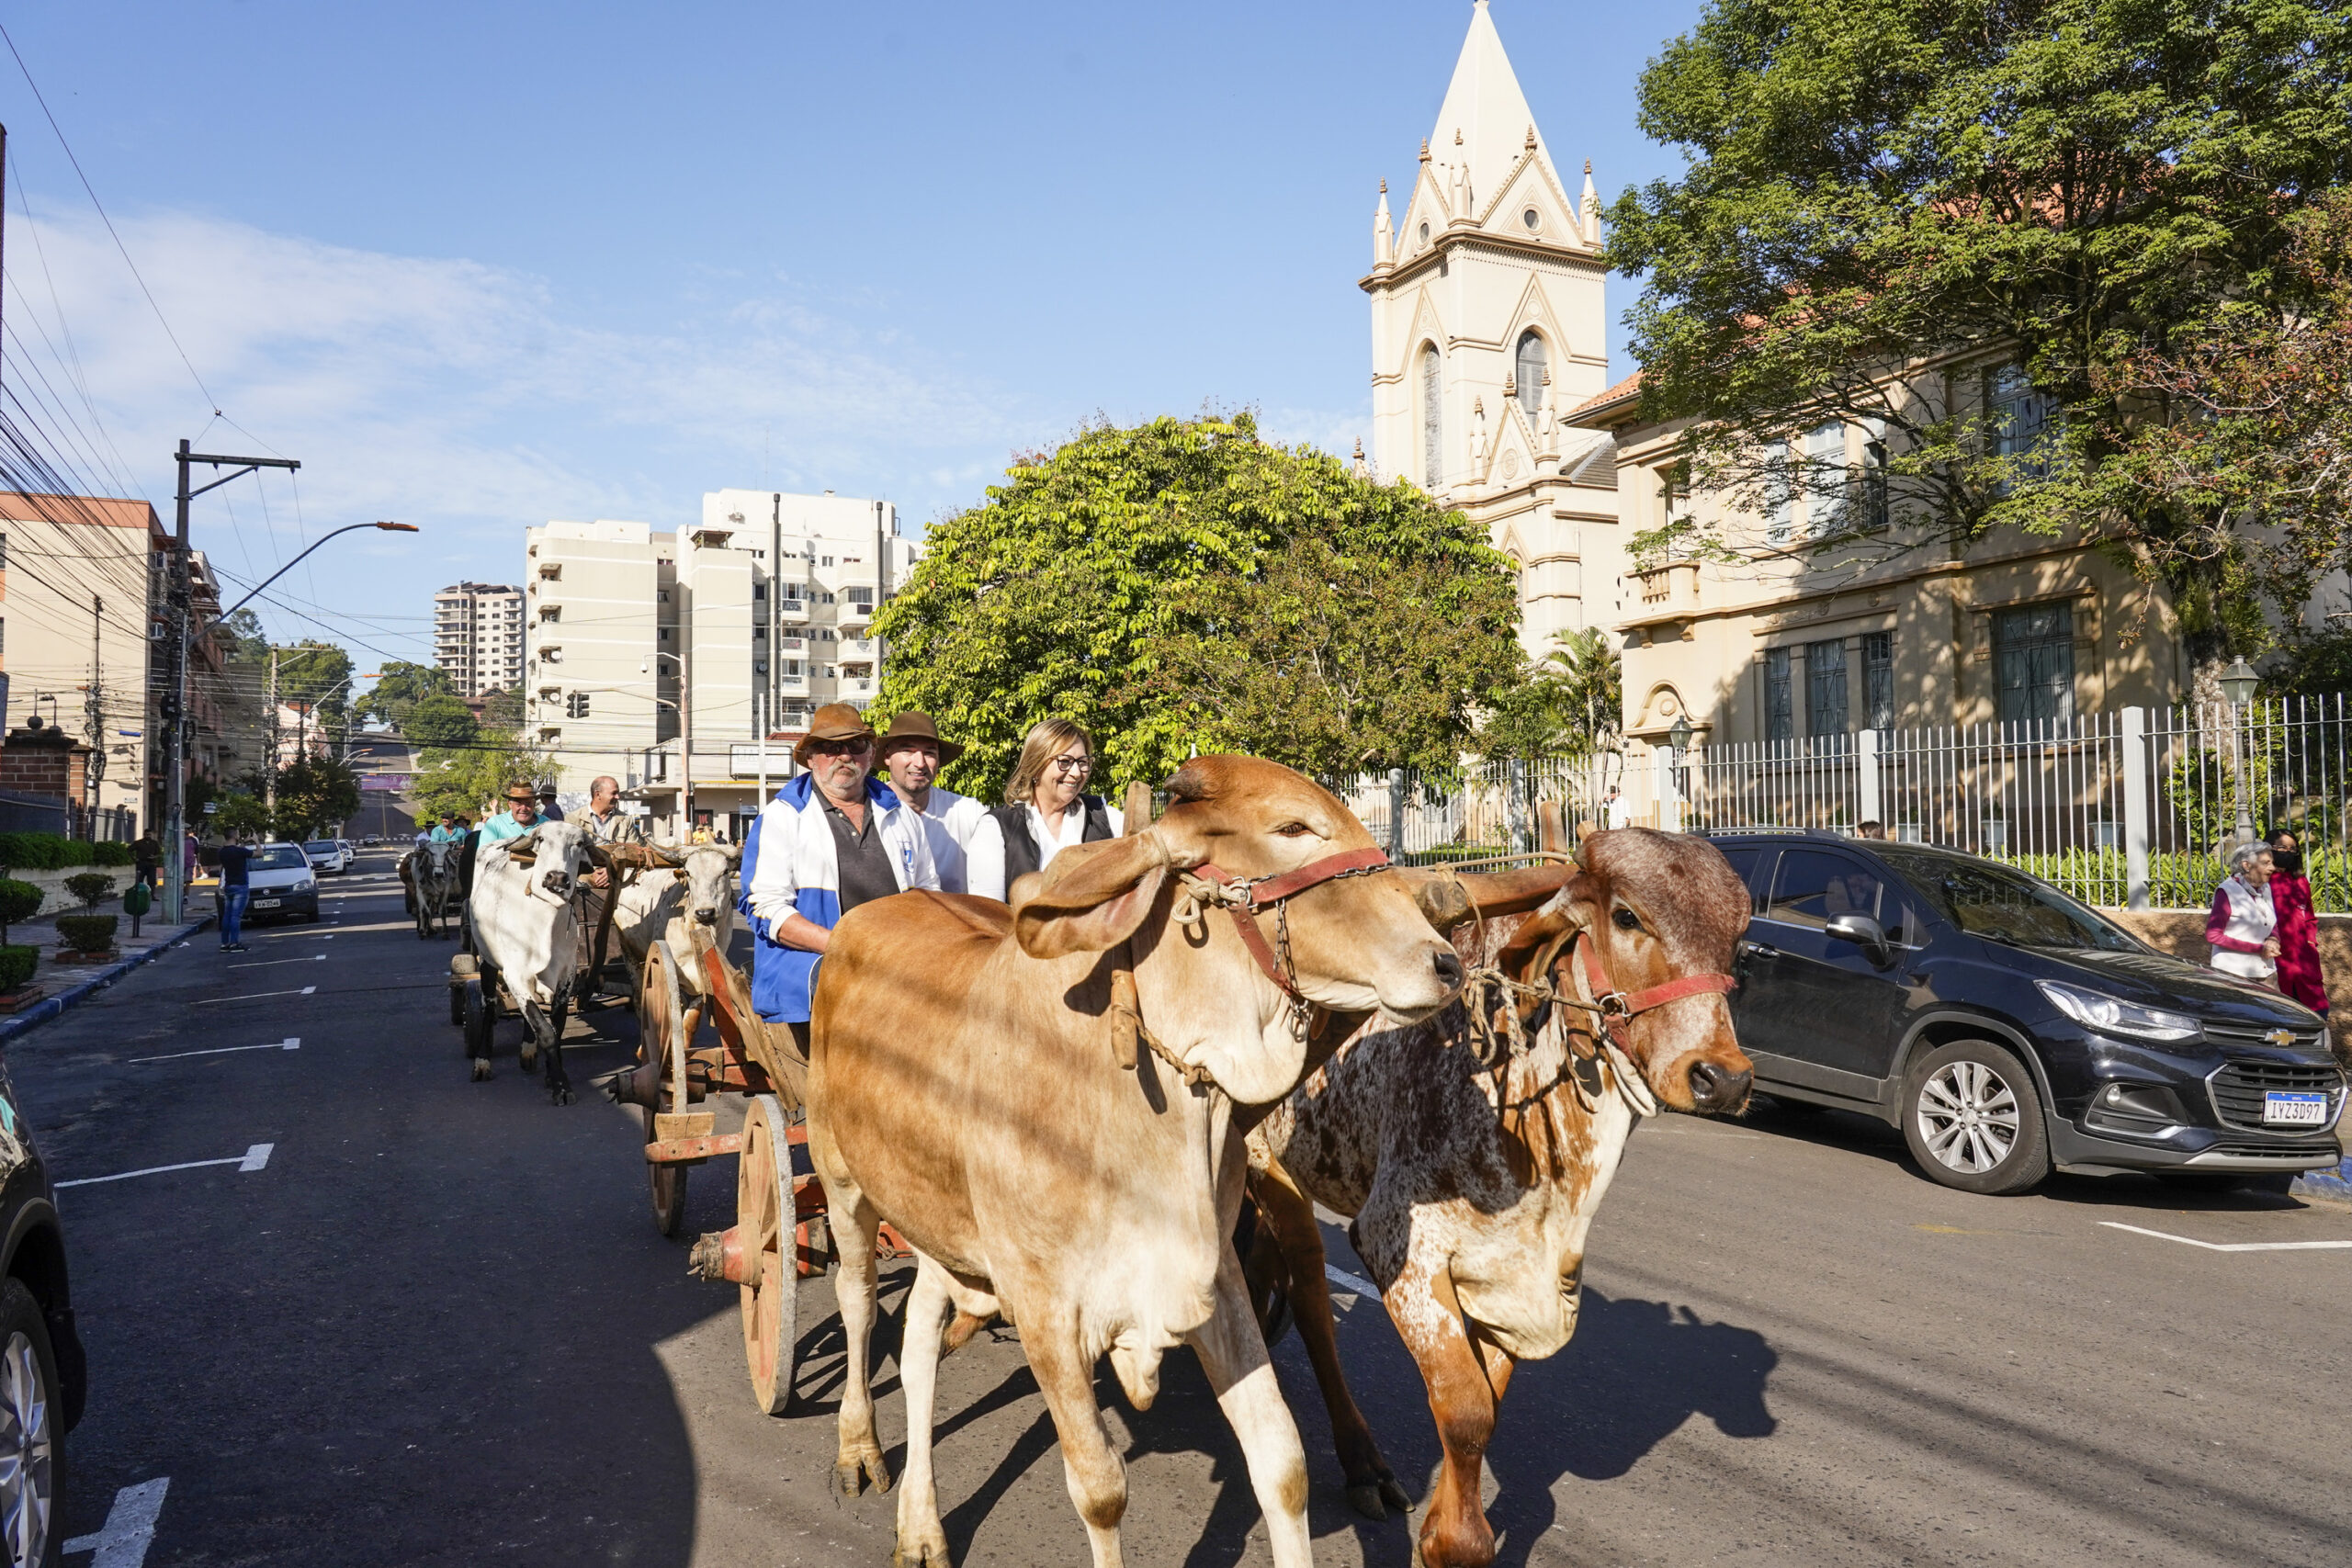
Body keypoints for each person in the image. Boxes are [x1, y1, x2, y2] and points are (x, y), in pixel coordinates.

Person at [745, 703, 938, 1047]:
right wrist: (842, 945)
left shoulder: (901, 814)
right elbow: (765, 908)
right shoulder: (783, 817)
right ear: (810, 758)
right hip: (811, 960)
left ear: (871, 753)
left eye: (855, 746)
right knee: (854, 990)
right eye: (831, 748)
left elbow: (928, 894)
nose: (844, 756)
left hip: (900, 959)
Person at [876, 711, 1005, 899]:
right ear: (887, 756)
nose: (919, 763)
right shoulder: (870, 812)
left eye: (929, 753)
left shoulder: (969, 812)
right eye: (908, 751)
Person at [989, 717, 1123, 884]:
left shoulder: (1107, 818)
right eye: (1064, 762)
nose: (1076, 772)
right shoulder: (997, 827)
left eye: (1082, 762)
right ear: (1036, 765)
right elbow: (987, 907)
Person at [2265, 827, 2328, 1015]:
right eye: (2282, 848)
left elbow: (2309, 917)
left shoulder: (2301, 882)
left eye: (2292, 849)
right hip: (2275, 956)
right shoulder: (2262, 881)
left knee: (2317, 1011)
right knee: (2281, 1011)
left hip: (2303, 958)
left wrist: (2311, 942)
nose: (2288, 853)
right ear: (2269, 848)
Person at [2205, 841, 2280, 985]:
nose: (2272, 868)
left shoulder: (2265, 888)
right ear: (2247, 865)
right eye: (2266, 863)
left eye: (2272, 863)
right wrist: (2258, 948)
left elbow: (2272, 921)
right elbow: (2213, 935)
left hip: (2266, 971)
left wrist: (2274, 939)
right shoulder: (2228, 891)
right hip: (2234, 974)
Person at [216, 832, 254, 953]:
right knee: (235, 916)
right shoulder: (239, 851)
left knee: (227, 915)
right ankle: (235, 943)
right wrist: (256, 841)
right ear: (234, 836)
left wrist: (245, 842)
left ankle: (225, 943)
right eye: (237, 833)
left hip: (229, 886)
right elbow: (260, 853)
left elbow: (235, 852)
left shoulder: (222, 852)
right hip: (240, 886)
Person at [478, 782, 542, 843]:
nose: (524, 808)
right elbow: (484, 852)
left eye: (528, 804)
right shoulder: (494, 824)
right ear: (510, 804)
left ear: (534, 804)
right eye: (518, 804)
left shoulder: (546, 824)